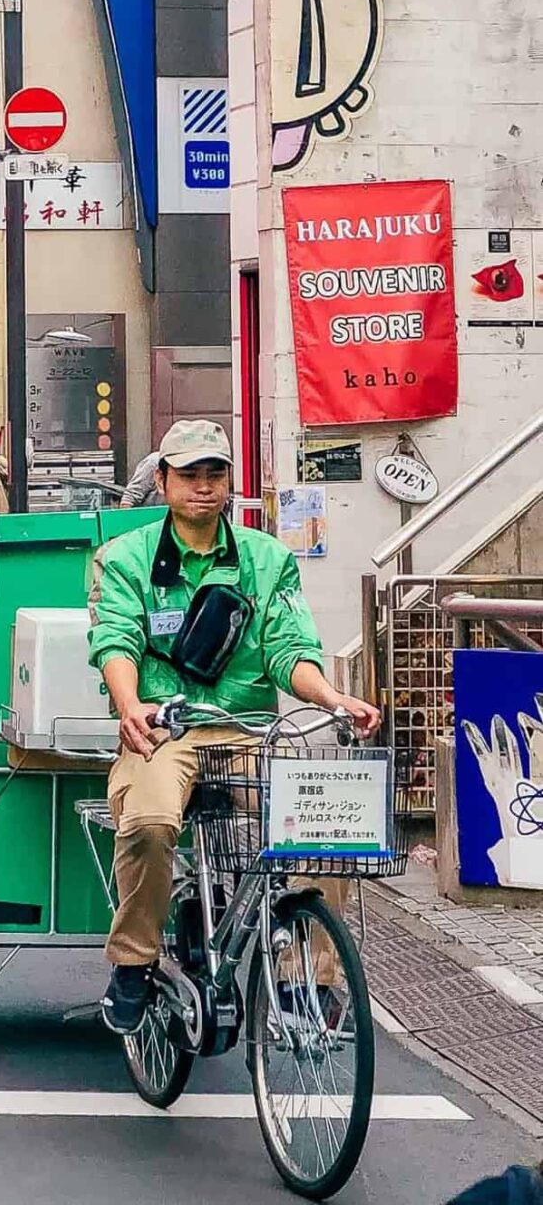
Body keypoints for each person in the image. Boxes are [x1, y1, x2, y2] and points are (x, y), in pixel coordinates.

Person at [87, 419, 380, 1035]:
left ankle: (307, 975)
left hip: (249, 731)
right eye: (188, 475)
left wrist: (330, 698)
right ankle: (134, 960)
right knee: (148, 823)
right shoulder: (125, 558)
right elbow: (114, 639)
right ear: (163, 480)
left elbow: (288, 648)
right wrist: (129, 704)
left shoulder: (267, 558)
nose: (203, 487)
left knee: (329, 824)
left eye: (214, 474)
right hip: (163, 731)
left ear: (229, 481)